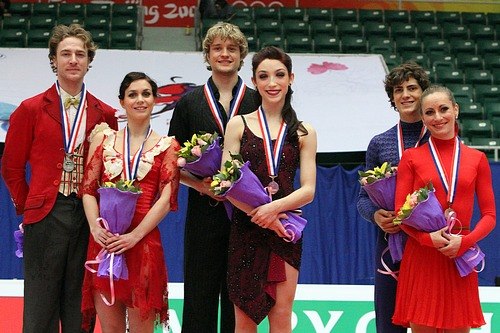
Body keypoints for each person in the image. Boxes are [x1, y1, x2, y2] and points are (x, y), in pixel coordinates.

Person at [1, 24, 118, 333]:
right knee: (41, 301)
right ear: (53, 60)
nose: (73, 60)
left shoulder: (104, 113)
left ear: (89, 61)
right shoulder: (30, 109)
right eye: (65, 54)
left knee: (80, 301)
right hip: (46, 214)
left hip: (88, 215)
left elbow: (111, 169)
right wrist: (30, 207)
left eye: (80, 54)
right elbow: (11, 167)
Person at [168, 22, 258, 332]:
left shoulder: (256, 101)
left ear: (241, 55)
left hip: (246, 214)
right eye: (218, 48)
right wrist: (200, 186)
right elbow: (172, 161)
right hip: (204, 214)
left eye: (231, 49)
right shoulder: (189, 102)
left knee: (239, 295)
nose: (224, 54)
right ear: (207, 54)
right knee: (199, 295)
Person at [221, 46, 317, 331]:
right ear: (254, 81)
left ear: (291, 78)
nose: (272, 83)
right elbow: (226, 184)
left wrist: (273, 211)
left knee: (281, 316)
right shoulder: (237, 125)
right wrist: (261, 215)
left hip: (285, 230)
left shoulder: (304, 131)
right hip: (245, 229)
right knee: (245, 320)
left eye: (279, 75)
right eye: (264, 76)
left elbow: (309, 189)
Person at [80, 72, 180, 332]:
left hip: (142, 244)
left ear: (155, 100)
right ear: (122, 101)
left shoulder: (168, 145)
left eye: (146, 94)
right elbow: (89, 189)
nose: (140, 100)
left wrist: (135, 236)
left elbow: (167, 197)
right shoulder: (104, 141)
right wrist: (95, 228)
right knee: (110, 329)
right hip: (105, 244)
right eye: (133, 94)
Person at [393, 85, 496, 332]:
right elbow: (400, 212)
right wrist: (426, 239)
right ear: (423, 118)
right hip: (423, 256)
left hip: (459, 256)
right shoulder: (411, 157)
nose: (437, 117)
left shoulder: (477, 159)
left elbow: (490, 216)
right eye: (429, 112)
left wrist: (466, 241)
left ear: (456, 110)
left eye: (443, 109)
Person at [357, 61, 430, 333]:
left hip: (430, 245)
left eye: (412, 88)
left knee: (429, 319)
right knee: (388, 322)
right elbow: (363, 198)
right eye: (398, 90)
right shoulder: (380, 143)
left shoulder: (437, 139)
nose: (406, 94)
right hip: (391, 242)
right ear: (392, 99)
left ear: (424, 92)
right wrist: (376, 216)